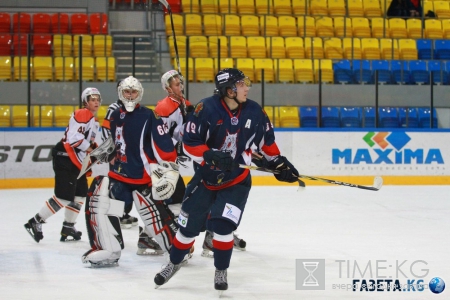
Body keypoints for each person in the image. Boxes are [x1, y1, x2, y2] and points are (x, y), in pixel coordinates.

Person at [153, 68, 300, 293]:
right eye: (241, 84)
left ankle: (220, 269)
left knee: (222, 228)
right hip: (205, 179)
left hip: (236, 181)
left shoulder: (255, 111)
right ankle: (173, 263)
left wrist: (280, 163)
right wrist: (208, 153)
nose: (247, 88)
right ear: (228, 90)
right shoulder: (205, 108)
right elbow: (190, 141)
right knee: (187, 229)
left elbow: (267, 143)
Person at [82, 76, 181, 266]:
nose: (130, 95)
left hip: (142, 179)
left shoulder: (149, 115)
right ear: (120, 93)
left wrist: (169, 173)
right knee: (101, 202)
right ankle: (110, 249)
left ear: (139, 94)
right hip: (118, 177)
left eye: (133, 91)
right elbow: (110, 142)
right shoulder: (115, 115)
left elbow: (165, 147)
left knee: (154, 218)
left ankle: (177, 249)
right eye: (126, 91)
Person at [24, 87, 101, 243]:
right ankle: (35, 221)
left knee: (79, 194)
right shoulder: (83, 113)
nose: (96, 102)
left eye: (98, 99)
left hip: (75, 161)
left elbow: (88, 143)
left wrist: (95, 152)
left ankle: (68, 226)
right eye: (92, 99)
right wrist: (92, 148)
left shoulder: (93, 120)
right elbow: (74, 139)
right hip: (65, 157)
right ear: (85, 101)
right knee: (64, 196)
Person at [96, 79, 139, 230]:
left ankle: (123, 213)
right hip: (117, 154)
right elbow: (106, 131)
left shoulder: (136, 108)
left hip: (130, 155)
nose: (129, 94)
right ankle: (114, 215)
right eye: (126, 90)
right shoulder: (113, 108)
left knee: (129, 184)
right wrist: (111, 153)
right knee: (118, 186)